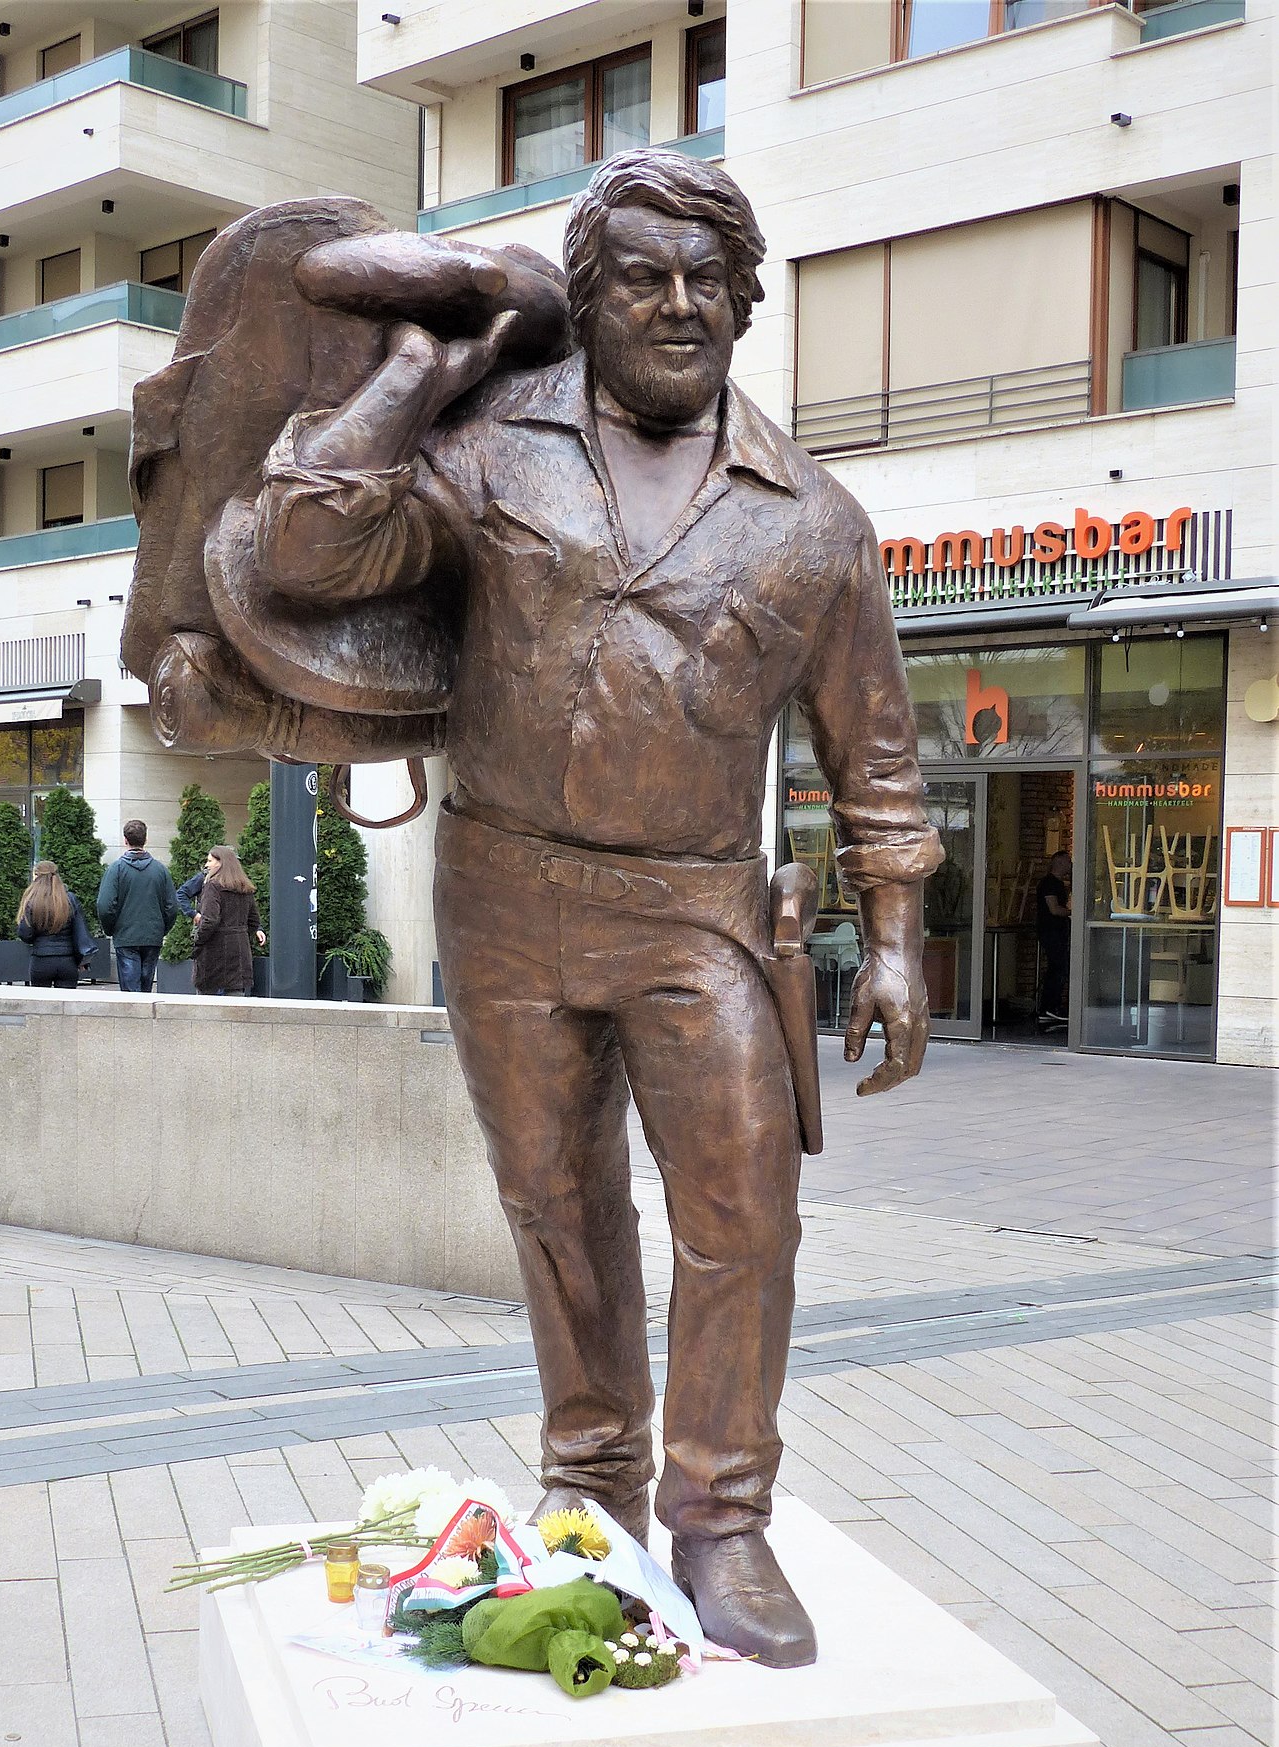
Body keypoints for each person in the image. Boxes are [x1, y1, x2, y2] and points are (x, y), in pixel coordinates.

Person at [243, 150, 941, 1666]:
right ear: (588, 295)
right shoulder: (491, 447)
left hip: (697, 914)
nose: (676, 303)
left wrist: (893, 939)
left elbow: (871, 753)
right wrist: (418, 373)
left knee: (743, 1216)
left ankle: (722, 1520)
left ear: (747, 305)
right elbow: (303, 553)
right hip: (502, 899)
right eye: (640, 275)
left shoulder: (814, 520)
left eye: (706, 279)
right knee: (557, 1218)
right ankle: (589, 1488)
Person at [97, 818, 178, 992]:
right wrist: (161, 928)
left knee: (130, 992)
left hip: (126, 936)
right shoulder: (160, 870)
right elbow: (171, 906)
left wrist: (111, 929)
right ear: (146, 840)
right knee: (146, 988)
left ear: (125, 840)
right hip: (152, 935)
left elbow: (104, 905)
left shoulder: (116, 869)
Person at [191, 845, 265, 995]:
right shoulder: (245, 887)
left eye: (210, 860)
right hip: (239, 951)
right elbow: (253, 921)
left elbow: (210, 920)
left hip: (213, 951)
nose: (207, 865)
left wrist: (198, 939)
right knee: (236, 1001)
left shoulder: (213, 886)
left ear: (221, 863)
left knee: (207, 1004)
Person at [16, 860, 96, 990]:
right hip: (67, 960)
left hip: (41, 959)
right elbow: (80, 931)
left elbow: (25, 934)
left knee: (41, 1006)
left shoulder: (32, 900)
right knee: (67, 1005)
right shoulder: (69, 898)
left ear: (37, 876)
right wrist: (83, 960)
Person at [1036, 850, 1072, 1027]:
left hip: (1057, 932)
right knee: (1058, 968)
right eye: (1068, 862)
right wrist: (1073, 912)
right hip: (1051, 931)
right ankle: (1050, 1007)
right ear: (1059, 863)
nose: (1070, 865)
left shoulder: (1058, 884)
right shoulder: (1049, 884)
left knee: (1057, 967)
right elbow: (1054, 909)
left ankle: (1050, 1009)